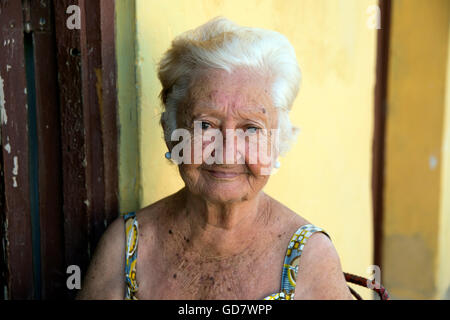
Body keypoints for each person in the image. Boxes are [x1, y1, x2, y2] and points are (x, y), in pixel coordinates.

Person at [77, 17, 353, 300]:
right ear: (171, 132)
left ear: (277, 143)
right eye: (205, 125)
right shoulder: (125, 247)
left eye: (251, 128)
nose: (227, 151)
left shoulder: (311, 259)